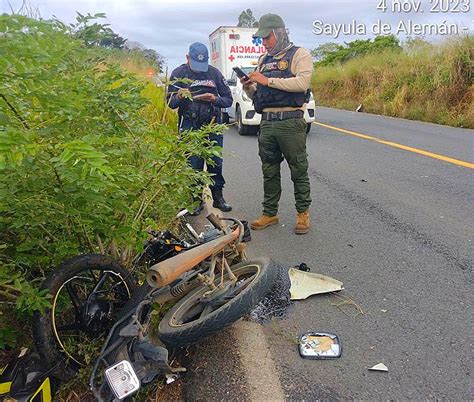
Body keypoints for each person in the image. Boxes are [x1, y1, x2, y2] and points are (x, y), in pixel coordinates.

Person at [241, 14, 313, 235]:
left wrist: (267, 80)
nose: (264, 43)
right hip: (268, 124)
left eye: (267, 38)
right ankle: (270, 213)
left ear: (279, 33)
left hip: (290, 122)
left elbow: (302, 82)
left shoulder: (300, 54)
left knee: (298, 170)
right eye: (262, 39)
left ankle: (303, 214)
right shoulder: (264, 60)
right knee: (269, 170)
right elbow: (259, 95)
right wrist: (249, 87)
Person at [167, 42, 233, 214]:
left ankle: (218, 197)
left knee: (215, 162)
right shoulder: (178, 74)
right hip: (189, 124)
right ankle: (195, 200)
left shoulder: (214, 73)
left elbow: (228, 99)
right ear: (188, 57)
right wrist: (181, 95)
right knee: (193, 163)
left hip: (212, 125)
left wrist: (215, 99)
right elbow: (170, 103)